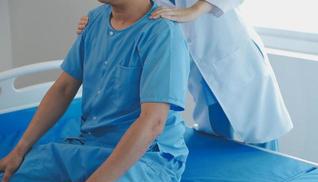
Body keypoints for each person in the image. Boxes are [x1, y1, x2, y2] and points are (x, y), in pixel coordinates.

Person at [0, 0, 190, 182]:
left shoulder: (162, 34)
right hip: (90, 145)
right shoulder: (95, 20)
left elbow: (153, 122)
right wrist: (19, 150)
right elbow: (63, 89)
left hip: (146, 156)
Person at [77, 0, 293, 150]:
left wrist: (196, 9)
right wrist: (99, 18)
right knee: (218, 142)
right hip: (200, 70)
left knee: (262, 141)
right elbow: (132, 6)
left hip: (233, 58)